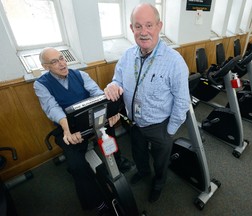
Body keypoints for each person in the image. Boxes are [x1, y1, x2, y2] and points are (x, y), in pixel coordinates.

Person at [104, 3, 190, 203]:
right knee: (139, 153)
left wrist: (171, 130)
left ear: (159, 26)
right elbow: (117, 79)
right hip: (133, 122)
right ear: (131, 28)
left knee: (161, 160)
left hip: (160, 125)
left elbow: (182, 101)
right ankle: (143, 172)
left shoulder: (174, 62)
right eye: (138, 26)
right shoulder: (127, 56)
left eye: (149, 25)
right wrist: (112, 85)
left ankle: (159, 183)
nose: (143, 32)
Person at [33, 47, 130, 215]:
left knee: (109, 129)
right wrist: (67, 130)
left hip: (91, 118)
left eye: (62, 58)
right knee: (77, 165)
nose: (62, 63)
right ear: (45, 66)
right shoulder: (41, 84)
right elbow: (52, 107)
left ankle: (117, 159)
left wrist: (108, 113)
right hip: (68, 126)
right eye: (54, 61)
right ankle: (97, 202)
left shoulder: (80, 75)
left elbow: (97, 94)